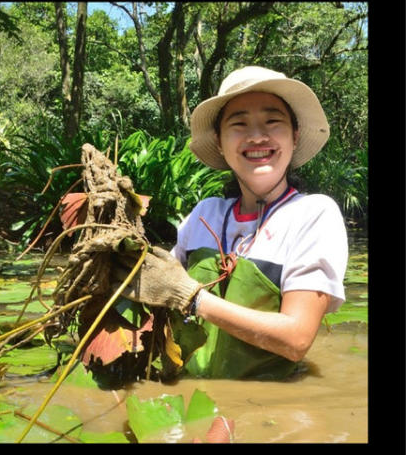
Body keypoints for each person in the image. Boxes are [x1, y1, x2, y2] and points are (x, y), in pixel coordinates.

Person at [116, 66, 348, 379]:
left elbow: (297, 339)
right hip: (187, 394)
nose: (256, 136)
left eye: (272, 121)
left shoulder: (313, 214)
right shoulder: (205, 214)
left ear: (294, 136)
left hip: (267, 409)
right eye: (239, 124)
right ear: (220, 143)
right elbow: (159, 288)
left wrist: (194, 298)